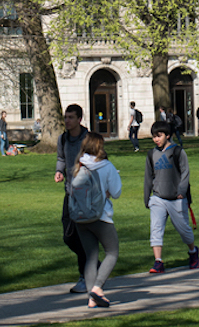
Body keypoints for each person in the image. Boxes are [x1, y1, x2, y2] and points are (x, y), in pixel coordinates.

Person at [72, 132, 123, 309]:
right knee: (112, 252)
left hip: (80, 217)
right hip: (101, 216)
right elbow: (116, 192)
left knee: (90, 257)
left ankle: (91, 298)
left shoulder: (79, 165)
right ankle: (97, 287)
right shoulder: (107, 166)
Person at [143, 120, 199, 273]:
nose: (156, 139)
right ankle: (158, 261)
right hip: (158, 198)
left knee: (184, 230)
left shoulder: (178, 152)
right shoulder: (151, 154)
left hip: (177, 199)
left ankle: (193, 252)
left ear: (167, 135)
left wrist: (181, 191)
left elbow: (185, 173)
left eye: (159, 136)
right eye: (154, 136)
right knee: (156, 229)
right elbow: (148, 177)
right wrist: (146, 196)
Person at [54, 104, 90, 294]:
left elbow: (102, 162)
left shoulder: (89, 140)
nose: (67, 121)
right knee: (69, 236)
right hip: (70, 193)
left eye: (70, 117)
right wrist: (59, 171)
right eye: (65, 117)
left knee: (83, 236)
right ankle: (95, 265)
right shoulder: (63, 139)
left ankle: (85, 276)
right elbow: (61, 158)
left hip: (86, 196)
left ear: (79, 120)